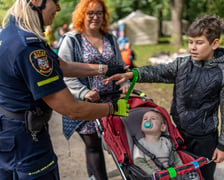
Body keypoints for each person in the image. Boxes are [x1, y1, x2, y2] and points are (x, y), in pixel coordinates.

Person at [0, 0, 129, 179]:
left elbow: (62, 66)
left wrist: (105, 69)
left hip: (10, 137)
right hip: (26, 143)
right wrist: (113, 108)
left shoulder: (14, 33)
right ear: (37, 2)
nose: (59, 8)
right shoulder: (29, 49)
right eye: (56, 1)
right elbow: (72, 109)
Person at [105, 14, 224, 180]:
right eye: (190, 42)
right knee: (181, 175)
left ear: (215, 43)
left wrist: (222, 146)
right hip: (179, 134)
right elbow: (157, 72)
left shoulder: (221, 73)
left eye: (199, 42)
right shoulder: (182, 64)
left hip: (205, 140)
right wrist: (133, 74)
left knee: (203, 176)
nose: (193, 47)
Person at [58, 0, 130, 179]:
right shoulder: (72, 39)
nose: (95, 17)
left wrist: (124, 83)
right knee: (93, 146)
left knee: (117, 144)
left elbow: (119, 66)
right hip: (85, 103)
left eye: (99, 13)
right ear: (82, 14)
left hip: (111, 101)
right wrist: (83, 92)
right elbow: (63, 72)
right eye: (90, 13)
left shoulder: (110, 38)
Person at [133, 110, 199, 179]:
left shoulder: (166, 141)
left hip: (171, 172)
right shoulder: (140, 144)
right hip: (155, 175)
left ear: (163, 127)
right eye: (145, 119)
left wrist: (182, 170)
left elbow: (175, 158)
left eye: (153, 119)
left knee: (193, 175)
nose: (148, 120)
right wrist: (154, 173)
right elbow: (139, 162)